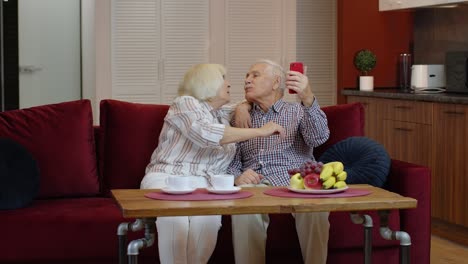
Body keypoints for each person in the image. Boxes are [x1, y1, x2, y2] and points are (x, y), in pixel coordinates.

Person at [140, 63, 285, 264]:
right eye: (223, 78)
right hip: (169, 176)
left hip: (205, 184)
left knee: (209, 221)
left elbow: (249, 101)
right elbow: (207, 134)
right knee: (175, 219)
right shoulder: (185, 104)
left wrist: (244, 106)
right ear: (207, 82)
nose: (230, 83)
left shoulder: (221, 113)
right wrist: (261, 131)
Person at [227, 59, 331, 264]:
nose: (247, 80)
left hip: (297, 177)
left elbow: (318, 138)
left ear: (276, 82)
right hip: (255, 179)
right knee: (243, 210)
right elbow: (228, 157)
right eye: (247, 76)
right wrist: (237, 176)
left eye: (255, 75)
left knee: (316, 206)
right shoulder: (237, 117)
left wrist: (308, 97)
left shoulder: (298, 111)